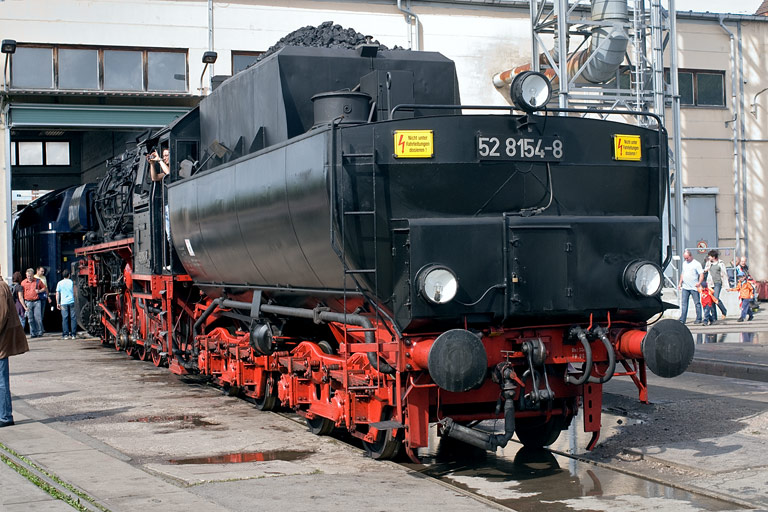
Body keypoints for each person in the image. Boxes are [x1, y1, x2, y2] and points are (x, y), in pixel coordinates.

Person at [1, 264, 30, 427]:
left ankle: (5, 416)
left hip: (1, 344)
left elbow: (1, 315)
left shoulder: (0, 287)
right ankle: (4, 414)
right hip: (2, 343)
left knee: (1, 381)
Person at [678, 249, 703, 324]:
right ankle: (683, 318)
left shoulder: (696, 264)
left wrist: (699, 282)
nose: (686, 259)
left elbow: (701, 274)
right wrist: (680, 283)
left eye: (687, 258)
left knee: (697, 303)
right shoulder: (684, 263)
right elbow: (683, 274)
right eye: (685, 258)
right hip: (685, 287)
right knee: (684, 303)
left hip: (694, 287)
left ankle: (699, 318)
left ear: (691, 256)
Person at [703, 250, 728, 321]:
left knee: (715, 298)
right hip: (710, 283)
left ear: (713, 257)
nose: (709, 257)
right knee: (711, 300)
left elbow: (724, 274)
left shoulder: (720, 263)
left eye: (710, 256)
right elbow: (705, 270)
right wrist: (705, 270)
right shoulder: (708, 263)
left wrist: (726, 286)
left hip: (717, 283)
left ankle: (724, 310)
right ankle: (714, 317)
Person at [20, 268, 45, 338]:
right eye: (27, 276)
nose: (29, 277)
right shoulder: (23, 283)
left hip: (37, 301)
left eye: (30, 276)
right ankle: (33, 333)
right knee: (30, 319)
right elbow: (21, 293)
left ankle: (39, 332)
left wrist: (39, 291)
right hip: (28, 302)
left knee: (38, 318)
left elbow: (44, 288)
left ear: (33, 275)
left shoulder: (38, 281)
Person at [56, 269, 77, 339]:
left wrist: (57, 303)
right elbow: (74, 292)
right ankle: (73, 334)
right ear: (69, 275)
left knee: (65, 318)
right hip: (72, 301)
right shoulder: (71, 282)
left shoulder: (59, 283)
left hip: (63, 302)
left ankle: (65, 334)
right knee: (73, 318)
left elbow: (57, 293)